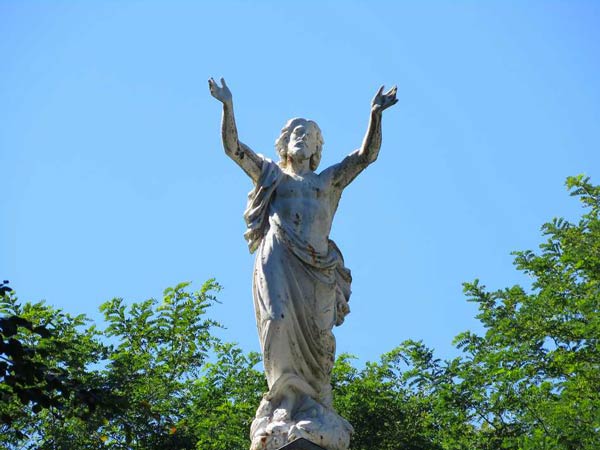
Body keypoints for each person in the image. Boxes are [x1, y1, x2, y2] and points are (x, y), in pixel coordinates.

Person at [208, 77, 397, 450]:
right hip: (278, 259)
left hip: (318, 270)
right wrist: (227, 107)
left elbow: (365, 157)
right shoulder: (272, 176)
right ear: (284, 143)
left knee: (321, 341)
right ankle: (282, 403)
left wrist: (375, 115)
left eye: (309, 134)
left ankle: (313, 406)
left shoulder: (327, 183)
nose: (302, 137)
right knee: (277, 323)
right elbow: (234, 149)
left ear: (316, 149)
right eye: (295, 132)